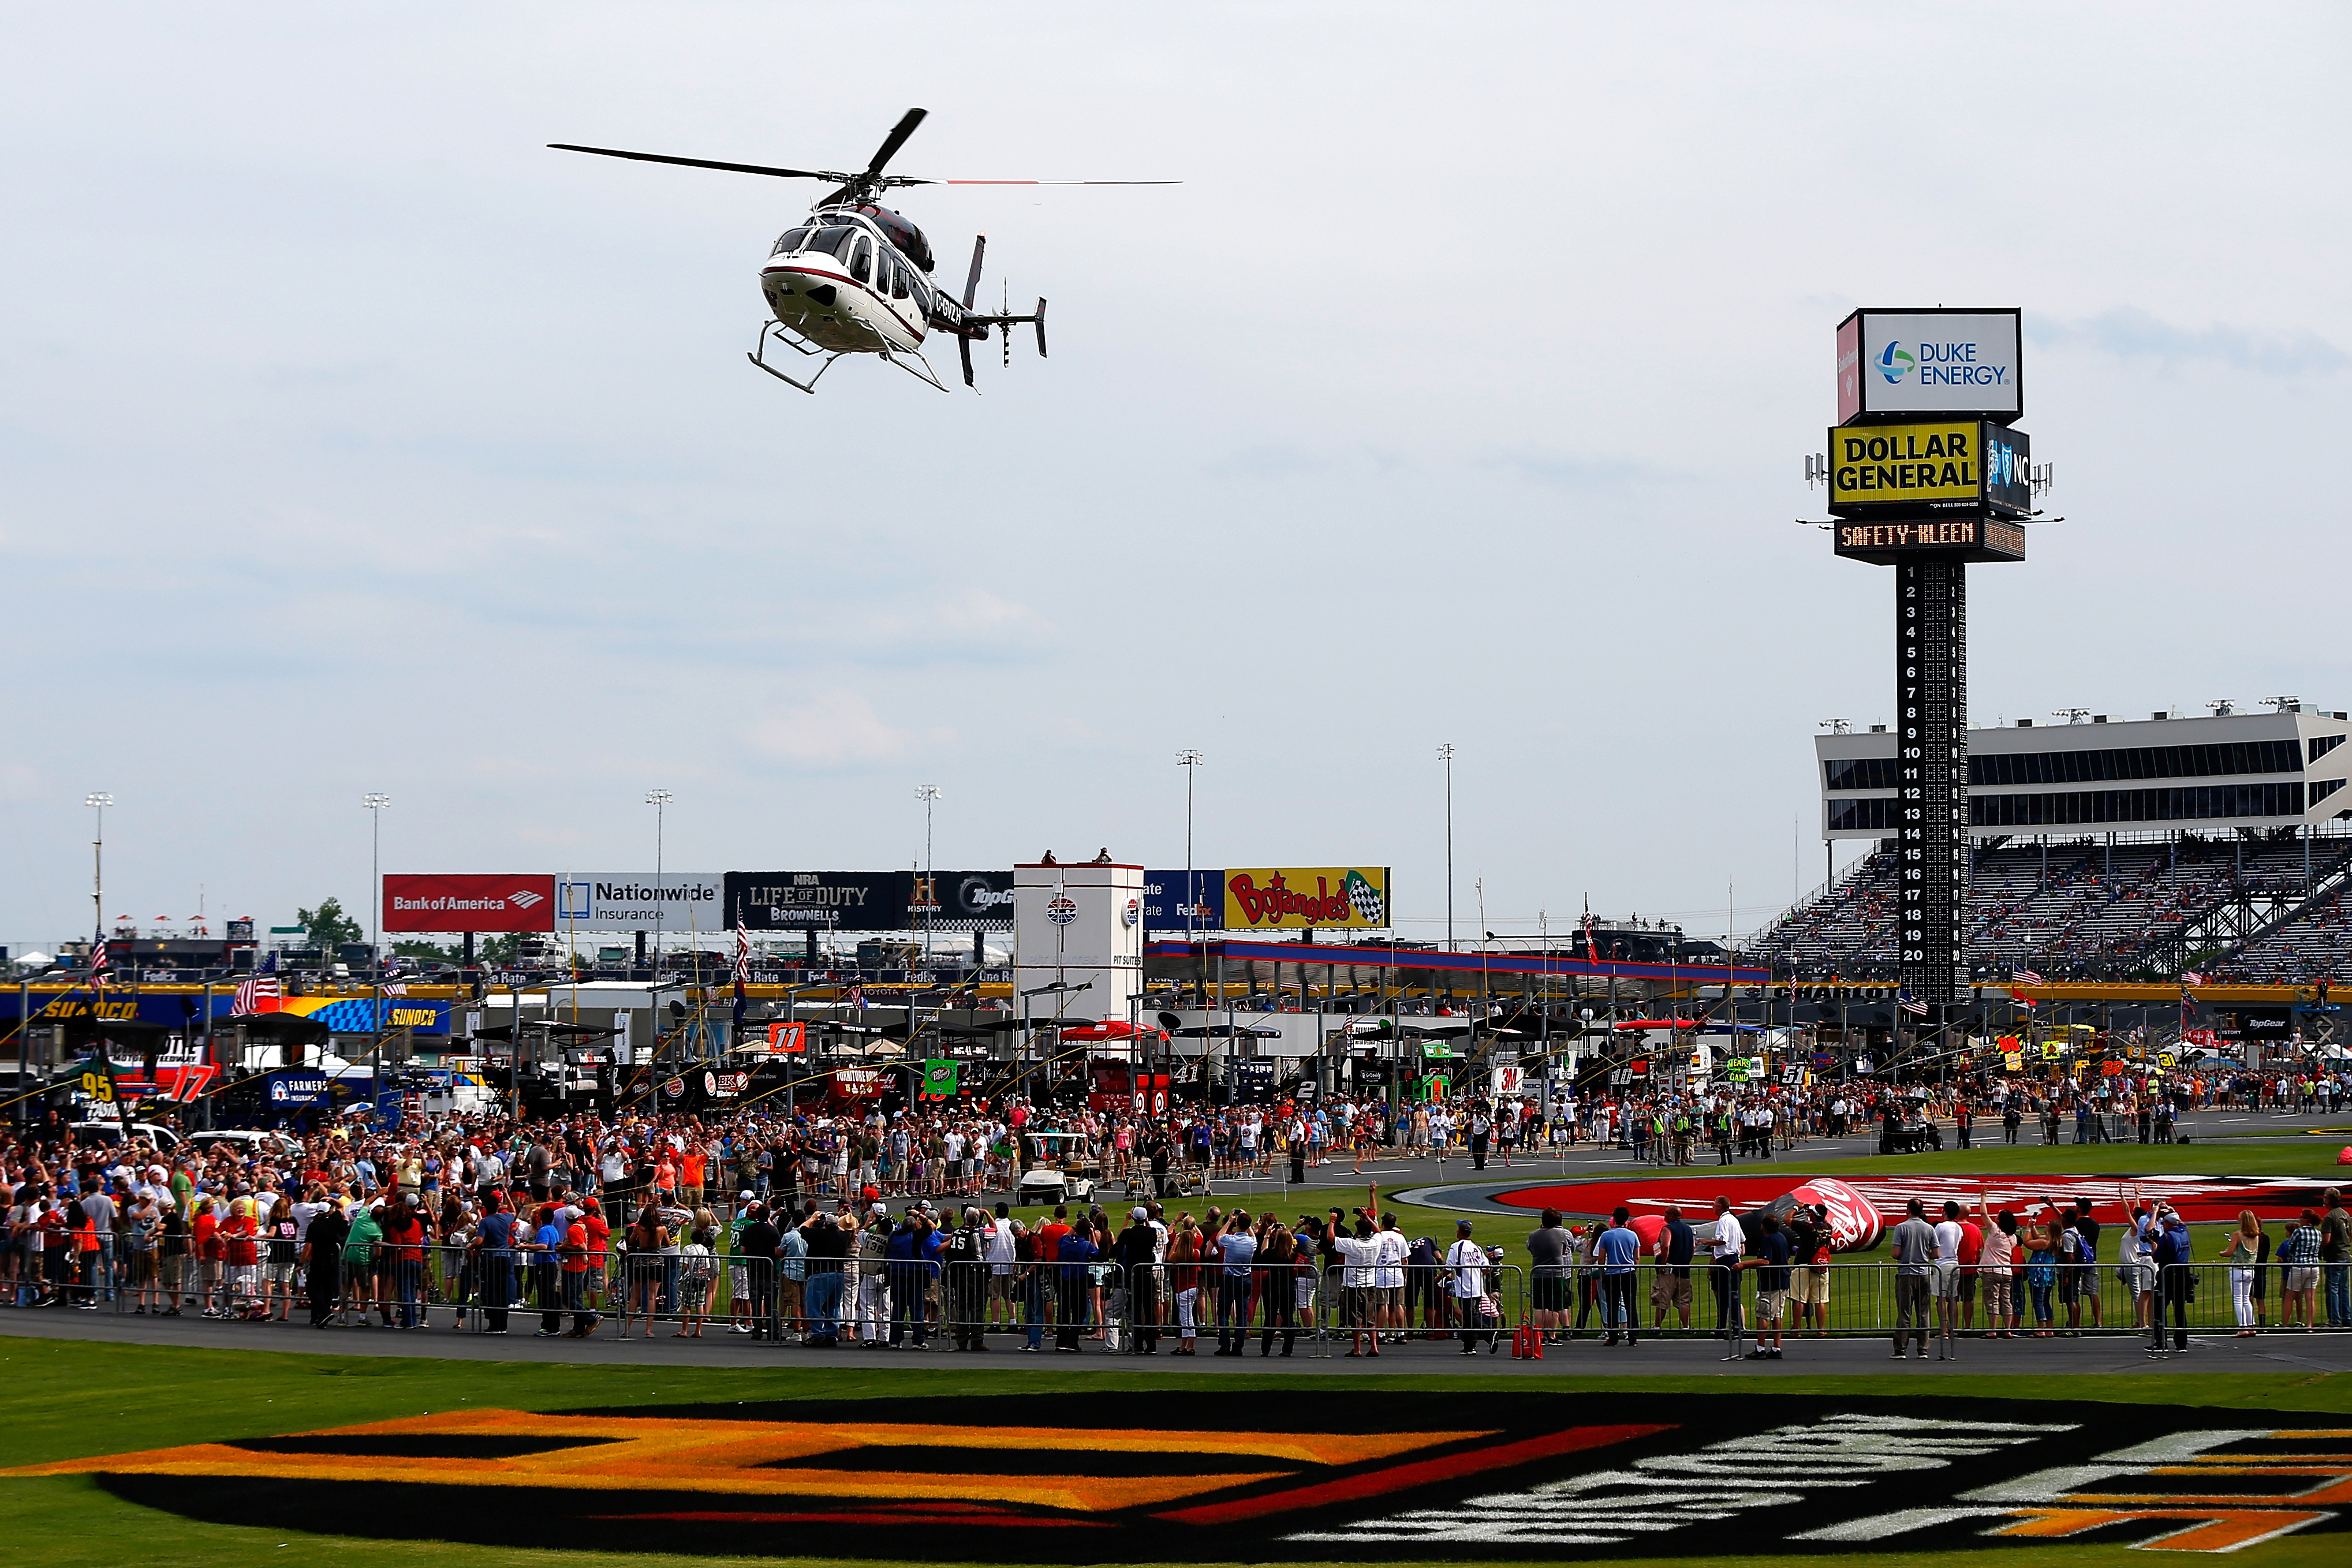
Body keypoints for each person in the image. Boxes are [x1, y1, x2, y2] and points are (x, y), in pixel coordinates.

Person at [1888, 1197, 1936, 1360]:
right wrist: (1923, 1255)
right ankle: (1923, 1348)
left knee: (1904, 1312)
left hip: (1906, 1273)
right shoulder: (1929, 1228)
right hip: (1924, 1272)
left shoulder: (1901, 1228)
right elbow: (1936, 1253)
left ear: (1907, 1210)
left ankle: (1900, 1349)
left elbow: (1896, 1253)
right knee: (1924, 1313)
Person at [1704, 1195, 1746, 1360]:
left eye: (1714, 1205)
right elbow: (1742, 1240)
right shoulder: (1734, 1220)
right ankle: (1724, 1327)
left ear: (1720, 1206)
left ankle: (1732, 1327)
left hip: (1726, 1259)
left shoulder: (1723, 1221)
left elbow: (1722, 1240)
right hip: (1733, 1257)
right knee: (1729, 1294)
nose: (1713, 1207)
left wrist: (1707, 1241)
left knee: (1728, 1295)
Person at [1445, 1219, 1496, 1354]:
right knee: (1471, 1317)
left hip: (1466, 1288)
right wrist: (1479, 1276)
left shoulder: (1456, 1247)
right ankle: (1470, 1346)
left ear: (1460, 1232)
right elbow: (1487, 1267)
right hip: (1477, 1287)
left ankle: (1490, 1335)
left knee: (1470, 1317)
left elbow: (1448, 1267)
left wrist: (1439, 1278)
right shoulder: (1476, 1247)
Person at [1745, 1210, 1790, 1360]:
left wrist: (1743, 1264)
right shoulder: (1782, 1238)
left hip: (1770, 1283)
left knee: (1762, 1314)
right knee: (1777, 1315)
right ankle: (1777, 1347)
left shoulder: (1768, 1240)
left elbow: (1765, 1261)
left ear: (1764, 1227)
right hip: (1783, 1280)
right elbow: (1788, 1259)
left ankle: (1760, 1348)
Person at [1595, 1207, 1640, 1347]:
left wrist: (1602, 1275)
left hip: (1612, 1273)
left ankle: (1613, 1337)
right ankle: (1633, 1337)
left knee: (1612, 1306)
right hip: (1628, 1272)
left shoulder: (1606, 1236)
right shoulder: (1633, 1235)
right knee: (1630, 1305)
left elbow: (1601, 1258)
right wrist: (1634, 1269)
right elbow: (1637, 1257)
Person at [1527, 1208, 1572, 1346]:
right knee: (1554, 1306)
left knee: (1540, 1306)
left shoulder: (1533, 1235)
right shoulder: (1562, 1234)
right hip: (1556, 1273)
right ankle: (1552, 1335)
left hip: (1538, 1272)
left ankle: (1539, 1334)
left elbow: (1530, 1249)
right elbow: (1567, 1249)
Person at [1931, 1200, 1966, 1360]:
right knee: (1953, 1298)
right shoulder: (1958, 1228)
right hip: (1955, 1263)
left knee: (1941, 1298)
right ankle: (1954, 1329)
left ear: (1945, 1212)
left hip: (1943, 1264)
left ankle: (1944, 1329)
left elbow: (1934, 1243)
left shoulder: (1941, 1227)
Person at [2220, 1209, 2263, 1338]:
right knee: (2246, 1299)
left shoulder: (2238, 1235)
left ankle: (2242, 1327)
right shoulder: (2256, 1236)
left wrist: (2221, 1253)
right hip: (2250, 1269)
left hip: (2238, 1269)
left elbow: (2229, 1252)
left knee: (2238, 1299)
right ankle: (2251, 1325)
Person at [1652, 1205, 1694, 1333]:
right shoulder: (1688, 1229)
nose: (1664, 1215)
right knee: (1684, 1301)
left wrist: (1663, 1264)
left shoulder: (1668, 1228)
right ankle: (1686, 1327)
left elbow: (1666, 1246)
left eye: (1666, 1213)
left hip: (1669, 1270)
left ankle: (1657, 1327)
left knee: (1662, 1299)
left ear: (1671, 1215)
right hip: (1684, 1269)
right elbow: (1692, 1248)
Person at [2280, 1209, 2324, 1331]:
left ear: (2307, 1219)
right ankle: (2310, 1325)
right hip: (2314, 1266)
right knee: (2310, 1298)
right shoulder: (2318, 1233)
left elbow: (2291, 1247)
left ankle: (2285, 1325)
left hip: (2299, 1265)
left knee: (2290, 1296)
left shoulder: (2299, 1232)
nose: (2299, 1219)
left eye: (2301, 1217)